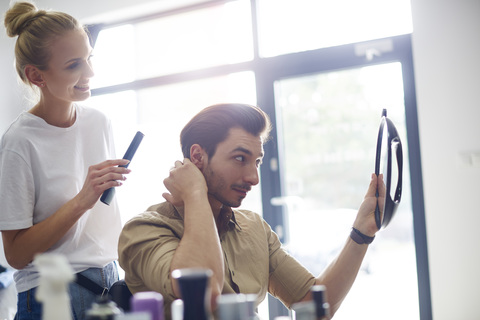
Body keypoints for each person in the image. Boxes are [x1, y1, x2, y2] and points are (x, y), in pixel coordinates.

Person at [118, 103, 383, 319]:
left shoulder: (253, 227)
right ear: (197, 157)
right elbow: (205, 294)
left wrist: (361, 233)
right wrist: (195, 193)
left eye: (256, 161)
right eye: (240, 158)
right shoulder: (144, 230)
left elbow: (312, 304)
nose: (253, 177)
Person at [0, 2, 131, 319]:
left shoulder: (100, 123)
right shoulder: (19, 143)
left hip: (109, 284)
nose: (90, 73)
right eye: (74, 65)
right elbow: (16, 254)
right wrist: (82, 200)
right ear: (36, 75)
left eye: (89, 59)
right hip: (51, 296)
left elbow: (100, 227)